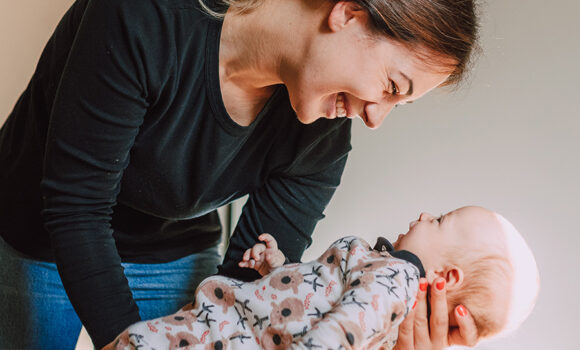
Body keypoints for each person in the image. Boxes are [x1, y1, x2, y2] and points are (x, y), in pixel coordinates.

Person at [0, 0, 480, 349]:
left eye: (400, 103)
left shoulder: (322, 143)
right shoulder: (147, 15)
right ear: (348, 13)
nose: (376, 117)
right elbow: (76, 207)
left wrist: (378, 333)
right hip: (40, 233)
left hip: (174, 248)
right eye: (392, 86)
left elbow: (246, 313)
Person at [103, 206, 539, 350]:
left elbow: (339, 330)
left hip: (227, 334)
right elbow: (314, 299)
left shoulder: (395, 280)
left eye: (441, 219)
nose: (426, 214)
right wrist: (278, 269)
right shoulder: (382, 274)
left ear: (448, 275)